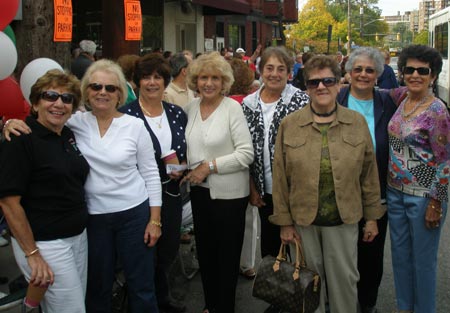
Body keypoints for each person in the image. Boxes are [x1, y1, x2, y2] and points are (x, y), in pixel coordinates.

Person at [3, 60, 163, 312]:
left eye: (110, 88)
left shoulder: (134, 125)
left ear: (119, 94)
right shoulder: (73, 123)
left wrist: (154, 219)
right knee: (97, 286)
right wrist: (8, 123)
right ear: (86, 92)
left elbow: (151, 173)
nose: (103, 92)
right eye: (96, 86)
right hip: (94, 218)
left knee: (141, 284)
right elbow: (41, 121)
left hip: (134, 214)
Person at [270, 54, 385, 313]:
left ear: (338, 84)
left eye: (328, 81)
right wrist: (284, 223)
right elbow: (280, 178)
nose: (321, 87)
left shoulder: (356, 123)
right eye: (313, 83)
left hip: (343, 220)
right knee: (310, 285)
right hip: (303, 222)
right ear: (307, 87)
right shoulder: (290, 125)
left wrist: (372, 218)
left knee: (345, 282)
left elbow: (369, 174)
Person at [0, 69, 89, 312]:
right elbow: (9, 203)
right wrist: (32, 253)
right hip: (46, 243)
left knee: (72, 304)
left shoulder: (67, 134)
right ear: (35, 103)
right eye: (50, 96)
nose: (59, 104)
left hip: (77, 237)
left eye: (67, 98)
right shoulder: (21, 139)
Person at [183, 51, 254, 313]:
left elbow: (246, 154)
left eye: (214, 78)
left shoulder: (232, 108)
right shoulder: (189, 109)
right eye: (203, 77)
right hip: (199, 195)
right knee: (206, 257)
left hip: (229, 197)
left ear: (223, 81)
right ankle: (211, 305)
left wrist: (209, 167)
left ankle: (224, 307)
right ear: (195, 80)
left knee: (225, 260)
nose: (208, 83)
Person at [241, 46, 309, 313]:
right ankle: (278, 299)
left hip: (295, 189)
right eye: (269, 68)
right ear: (261, 70)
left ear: (290, 73)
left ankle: (302, 299)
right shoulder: (248, 103)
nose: (275, 73)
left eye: (281, 69)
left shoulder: (301, 100)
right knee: (271, 248)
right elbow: (246, 148)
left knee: (300, 246)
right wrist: (252, 186)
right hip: (264, 188)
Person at [119, 53, 188, 313]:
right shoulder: (126, 115)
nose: (151, 82)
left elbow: (185, 154)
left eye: (157, 77)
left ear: (165, 81)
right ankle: (141, 303)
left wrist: (180, 169)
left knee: (167, 250)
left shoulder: (176, 113)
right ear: (136, 82)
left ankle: (161, 300)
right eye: (146, 77)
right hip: (138, 196)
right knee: (143, 252)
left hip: (171, 194)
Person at [387, 44, 450, 313]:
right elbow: (370, 91)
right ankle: (405, 308)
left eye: (422, 71)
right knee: (400, 258)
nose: (415, 75)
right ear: (401, 73)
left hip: (425, 196)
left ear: (433, 75)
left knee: (422, 262)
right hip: (395, 193)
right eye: (409, 69)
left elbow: (445, 161)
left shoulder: (437, 111)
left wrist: (437, 202)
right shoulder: (402, 98)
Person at [336, 47, 397, 313]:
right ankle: (341, 301)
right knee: (341, 254)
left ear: (378, 75)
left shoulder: (388, 103)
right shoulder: (335, 98)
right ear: (348, 72)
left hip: (377, 192)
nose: (363, 74)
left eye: (369, 70)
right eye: (357, 69)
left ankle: (367, 303)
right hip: (340, 191)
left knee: (371, 255)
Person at [228, 58, 258, 279]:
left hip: (222, 166)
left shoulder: (218, 104)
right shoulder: (251, 103)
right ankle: (247, 263)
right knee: (250, 217)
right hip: (247, 165)